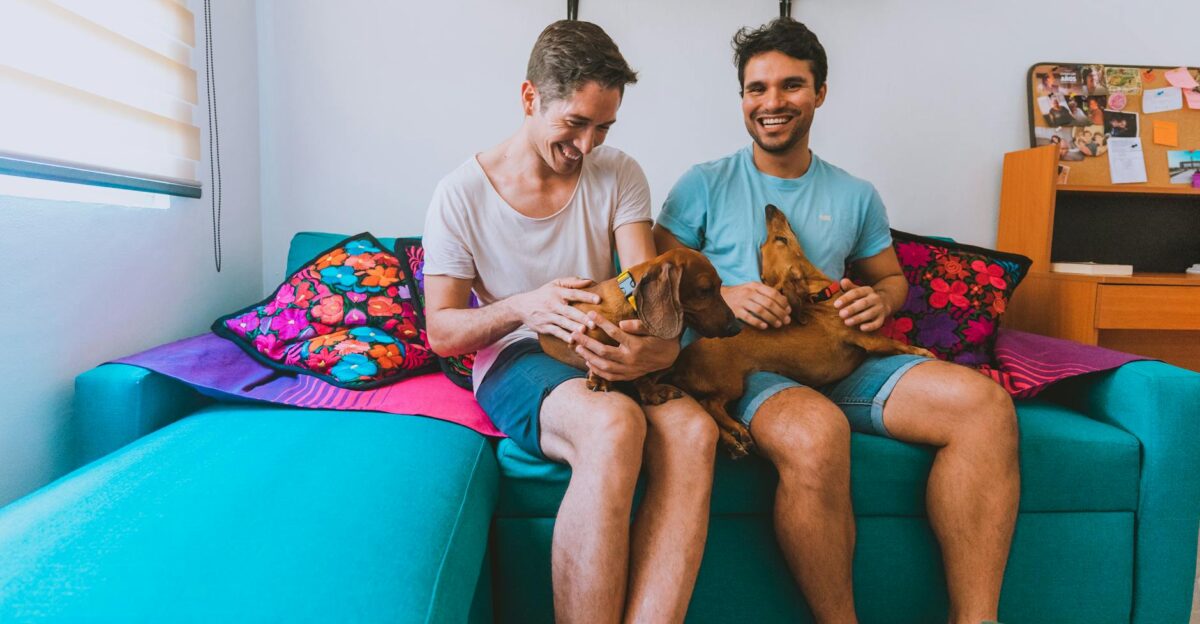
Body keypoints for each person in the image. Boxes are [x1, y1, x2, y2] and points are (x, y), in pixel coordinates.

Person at [653, 18, 1020, 624]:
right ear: (742, 97)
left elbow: (892, 279)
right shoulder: (703, 183)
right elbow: (658, 277)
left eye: (791, 86)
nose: (772, 103)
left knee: (984, 407)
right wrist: (731, 295)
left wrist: (882, 301)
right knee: (815, 433)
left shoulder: (856, 194)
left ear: (819, 93)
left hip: (838, 355)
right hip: (750, 364)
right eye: (757, 88)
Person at [422, 20, 716, 623]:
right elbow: (442, 330)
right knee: (612, 426)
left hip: (603, 339)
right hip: (518, 353)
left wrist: (658, 348)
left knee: (695, 433)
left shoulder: (619, 172)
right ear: (531, 98)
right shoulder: (459, 195)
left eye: (603, 126)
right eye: (575, 124)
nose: (588, 145)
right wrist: (525, 305)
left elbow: (647, 286)